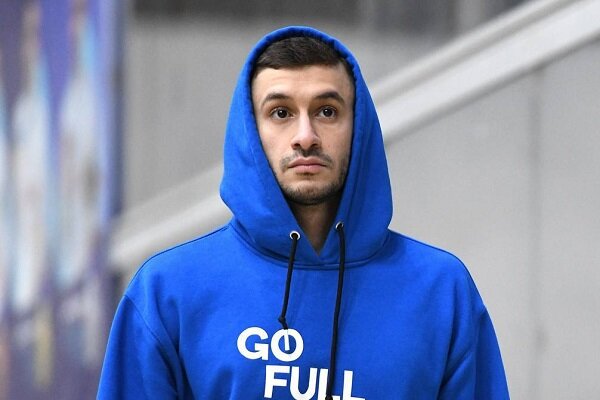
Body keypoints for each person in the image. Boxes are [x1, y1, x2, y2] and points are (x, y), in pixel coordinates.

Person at [98, 26, 509, 399]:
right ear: (250, 131)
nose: (305, 137)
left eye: (327, 111)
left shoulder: (441, 291)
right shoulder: (169, 291)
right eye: (281, 113)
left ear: (359, 128)